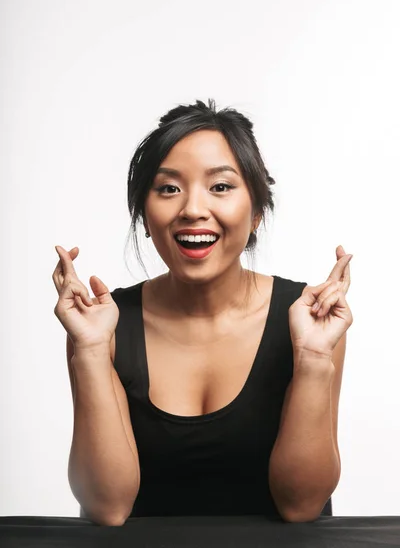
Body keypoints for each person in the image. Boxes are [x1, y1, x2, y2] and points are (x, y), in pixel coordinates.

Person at [52, 98, 353, 527]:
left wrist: (315, 358)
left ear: (257, 213)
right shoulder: (103, 322)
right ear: (144, 213)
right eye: (169, 188)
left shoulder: (310, 317)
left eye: (221, 187)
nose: (193, 209)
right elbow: (107, 508)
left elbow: (301, 506)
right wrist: (92, 351)